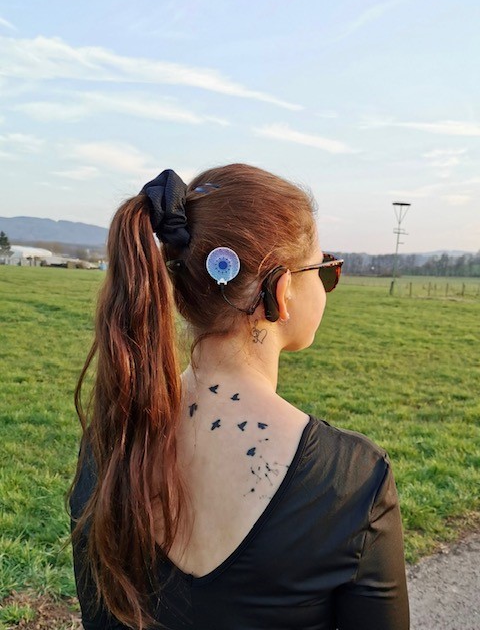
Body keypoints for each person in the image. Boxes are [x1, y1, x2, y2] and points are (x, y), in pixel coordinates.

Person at [69, 164, 409, 630]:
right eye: (324, 270)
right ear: (281, 291)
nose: (328, 284)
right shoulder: (351, 478)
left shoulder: (107, 444)